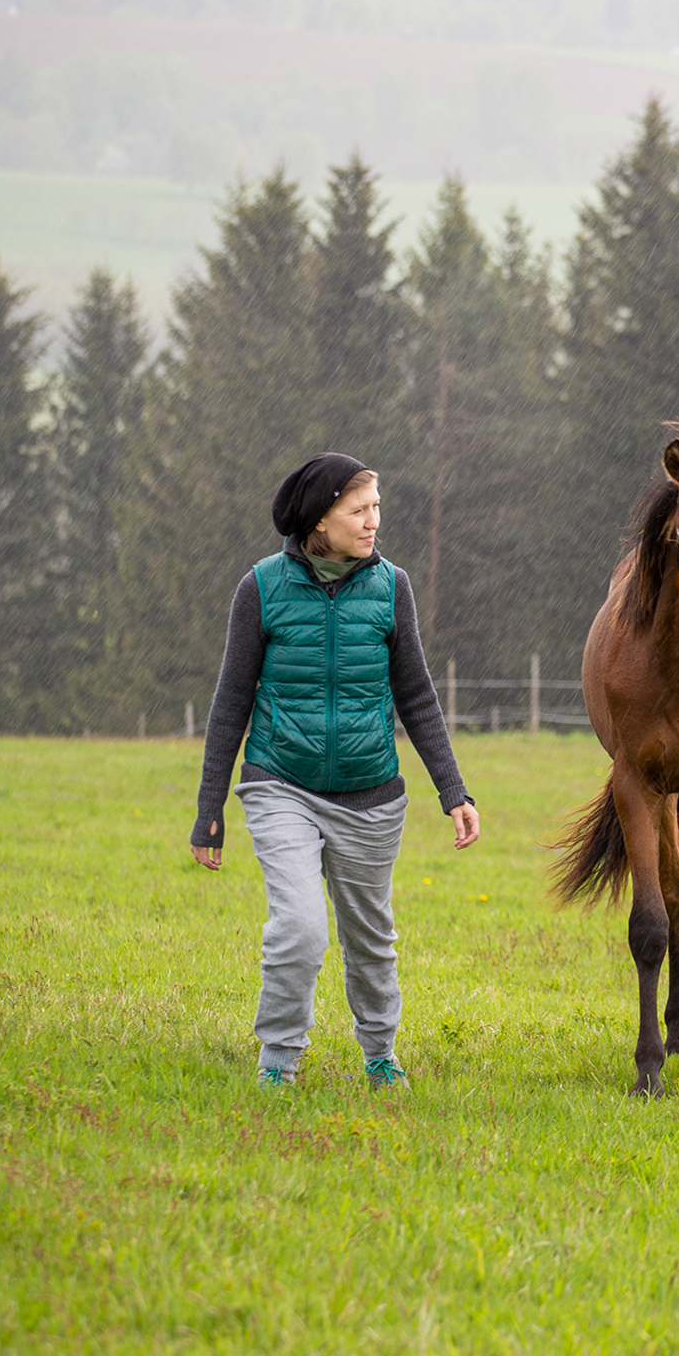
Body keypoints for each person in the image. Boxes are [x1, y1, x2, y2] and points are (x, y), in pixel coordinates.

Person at [191, 453, 479, 1089]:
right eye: (359, 510)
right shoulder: (261, 587)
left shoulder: (392, 586)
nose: (374, 521)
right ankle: (278, 1063)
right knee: (298, 926)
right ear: (321, 519)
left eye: (377, 507)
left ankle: (380, 1054)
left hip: (370, 794)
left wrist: (452, 789)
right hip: (280, 783)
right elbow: (231, 701)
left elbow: (417, 696)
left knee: (370, 939)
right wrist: (210, 809)